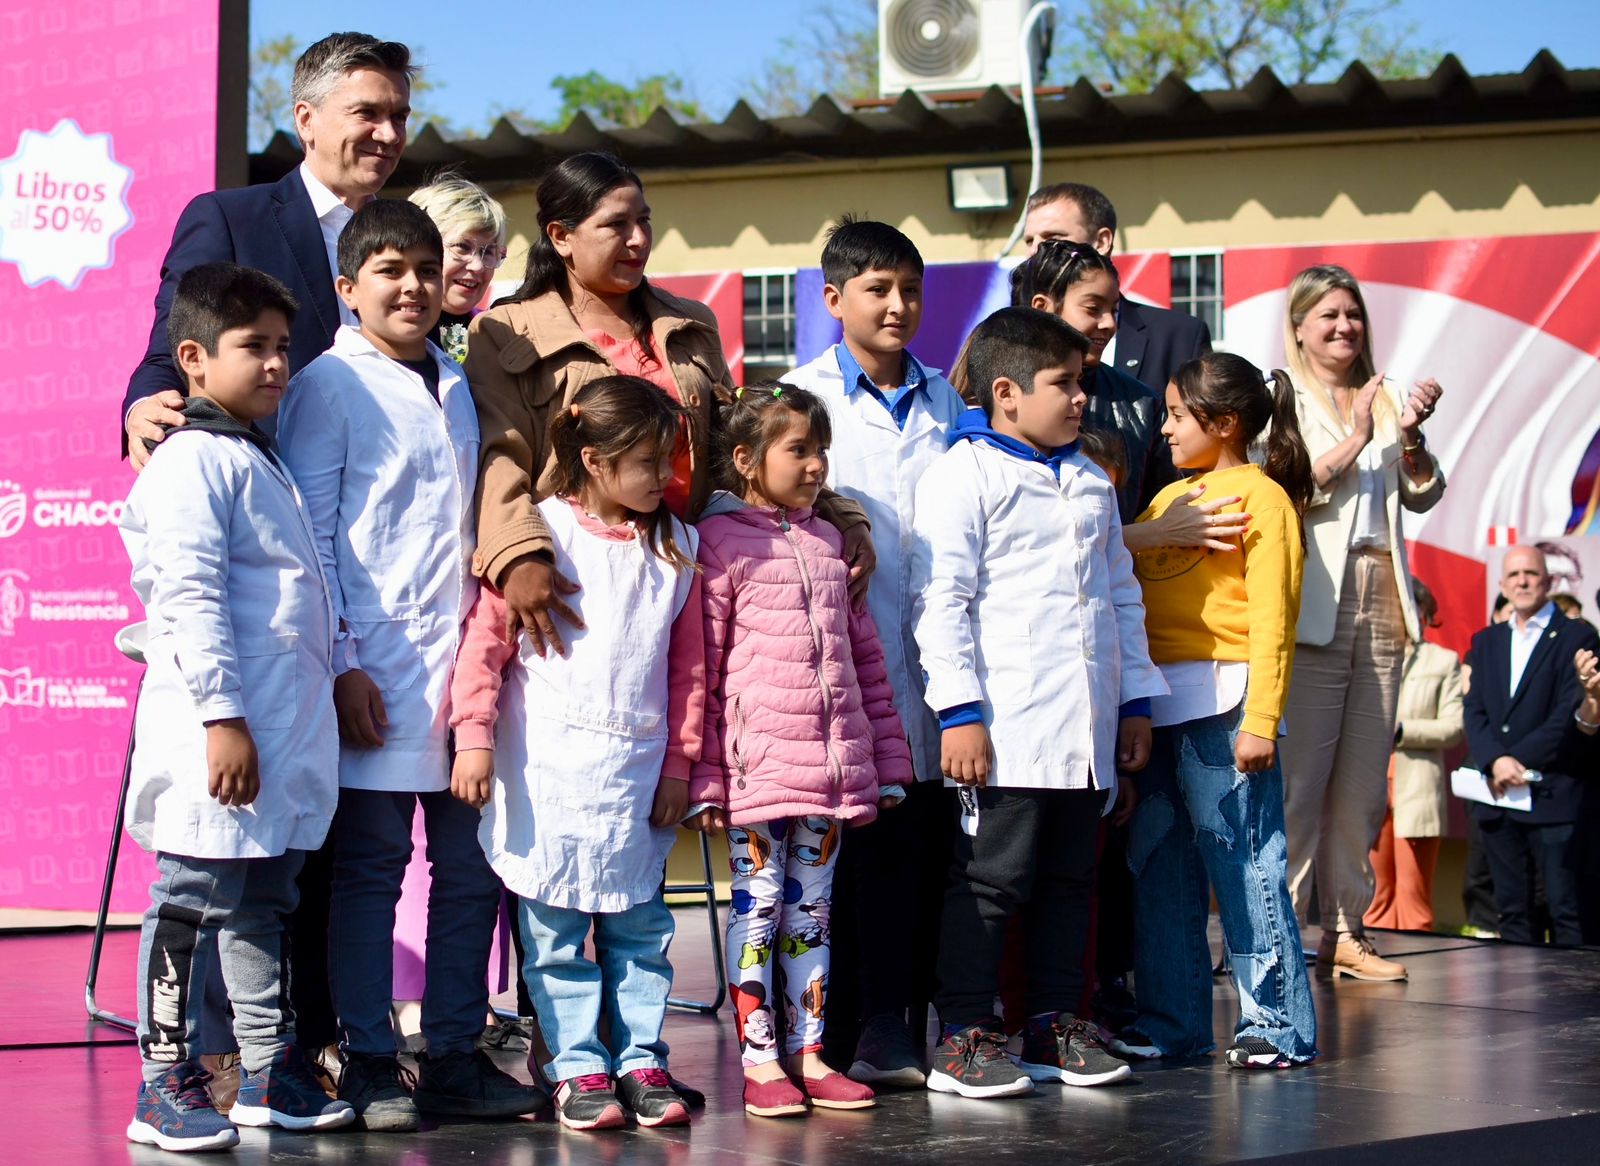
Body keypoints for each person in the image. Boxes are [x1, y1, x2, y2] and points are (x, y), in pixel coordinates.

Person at [275, 200, 542, 1129]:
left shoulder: (458, 384)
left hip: (462, 680)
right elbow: (309, 537)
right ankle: (373, 1057)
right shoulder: (326, 386)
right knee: (372, 871)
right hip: (374, 676)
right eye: (390, 270)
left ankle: (458, 1055)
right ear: (347, 289)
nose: (415, 287)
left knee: (473, 872)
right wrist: (344, 661)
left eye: (427, 269)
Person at [118, 263, 355, 1151]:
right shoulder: (192, 462)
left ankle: (268, 1070)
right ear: (192, 357)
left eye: (283, 348)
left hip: (276, 735)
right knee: (190, 893)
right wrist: (222, 718)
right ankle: (162, 1080)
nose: (274, 365)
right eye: (252, 346)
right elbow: (190, 597)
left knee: (264, 896)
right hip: (218, 733)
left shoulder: (259, 456)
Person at [465, 152, 872, 654]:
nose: (637, 239)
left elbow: (741, 442)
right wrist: (519, 553)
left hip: (691, 578)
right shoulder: (506, 332)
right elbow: (496, 454)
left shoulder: (690, 325)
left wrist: (836, 513)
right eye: (616, 224)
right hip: (572, 580)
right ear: (560, 236)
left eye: (644, 221)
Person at [910, 306, 1165, 1099]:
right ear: (1007, 393)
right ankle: (962, 1038)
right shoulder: (965, 473)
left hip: (1083, 731)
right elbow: (940, 599)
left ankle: (1055, 1025)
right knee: (990, 882)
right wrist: (959, 711)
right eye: (1066, 383)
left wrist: (1133, 705)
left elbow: (1121, 598)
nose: (1083, 397)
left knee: (1070, 884)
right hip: (1005, 732)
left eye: (1084, 381)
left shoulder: (1091, 479)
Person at [450, 378, 706, 1132]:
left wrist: (680, 767)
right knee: (556, 934)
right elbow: (484, 651)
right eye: (646, 461)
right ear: (593, 460)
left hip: (636, 775)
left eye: (668, 460)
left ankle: (640, 1058)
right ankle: (575, 1065)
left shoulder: (677, 548)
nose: (663, 477)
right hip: (548, 776)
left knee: (641, 929)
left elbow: (689, 672)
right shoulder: (543, 540)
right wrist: (474, 738)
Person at [687, 384, 912, 1119]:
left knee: (811, 916)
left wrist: (884, 761)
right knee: (757, 915)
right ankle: (759, 1061)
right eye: (799, 450)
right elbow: (705, 668)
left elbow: (864, 659)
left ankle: (810, 1055)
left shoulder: (828, 543)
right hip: (756, 781)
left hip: (829, 777)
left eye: (822, 450)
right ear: (747, 460)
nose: (817, 465)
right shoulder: (719, 545)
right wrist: (707, 777)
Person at [780, 217, 967, 1087]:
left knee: (921, 852)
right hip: (833, 666)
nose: (898, 306)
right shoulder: (799, 397)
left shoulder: (952, 403)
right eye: (877, 290)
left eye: (911, 291)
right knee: (845, 861)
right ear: (832, 300)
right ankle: (835, 1032)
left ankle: (896, 1028)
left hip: (937, 666)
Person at [1111, 352, 1318, 1070]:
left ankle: (1278, 1023)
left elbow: (1273, 618)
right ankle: (1173, 1024)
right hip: (1158, 706)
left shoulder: (1263, 499)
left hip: (1227, 704)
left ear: (1224, 422)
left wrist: (1262, 719)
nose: (1163, 430)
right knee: (1161, 865)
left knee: (1246, 860)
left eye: (1176, 414)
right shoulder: (1169, 501)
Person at [124, 32, 415, 465]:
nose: (389, 134)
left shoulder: (411, 238)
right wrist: (143, 409)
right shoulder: (232, 219)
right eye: (366, 113)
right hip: (276, 488)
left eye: (400, 116)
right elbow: (174, 347)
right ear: (305, 120)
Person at [1277, 264, 1446, 981]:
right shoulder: (1278, 396)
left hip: (1383, 590)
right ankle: (1279, 931)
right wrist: (1350, 437)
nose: (1345, 326)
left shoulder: (1387, 396)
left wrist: (1408, 436)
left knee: (1362, 783)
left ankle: (1346, 929)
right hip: (1314, 596)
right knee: (1302, 777)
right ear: (1300, 327)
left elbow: (1424, 493)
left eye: (1354, 314)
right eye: (1329, 315)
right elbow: (1285, 489)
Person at [1462, 547, 1599, 946]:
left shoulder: (1578, 636)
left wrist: (1514, 759)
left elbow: (1568, 712)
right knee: (1513, 913)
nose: (1522, 581)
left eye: (1531, 573)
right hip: (1500, 797)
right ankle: (1520, 1006)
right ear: (1503, 586)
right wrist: (1494, 760)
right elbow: (1475, 710)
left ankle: (1576, 1008)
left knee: (1566, 909)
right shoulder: (1485, 641)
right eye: (1514, 574)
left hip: (1554, 796)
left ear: (1549, 581)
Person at [1021, 181, 1211, 393]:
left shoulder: (1179, 336)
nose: (1035, 252)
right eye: (1029, 241)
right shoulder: (1006, 340)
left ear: (1101, 242)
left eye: (1053, 238)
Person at [1365, 579, 1465, 934]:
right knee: (1371, 897)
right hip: (1367, 785)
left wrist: (1402, 731)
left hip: (1417, 790)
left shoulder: (1443, 660)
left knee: (1414, 899)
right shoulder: (1366, 656)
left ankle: (1419, 972)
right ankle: (1368, 963)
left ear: (1424, 613)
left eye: (1412, 606)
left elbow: (1454, 727)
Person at [409, 172, 508, 363]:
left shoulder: (498, 337)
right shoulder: (385, 333)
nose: (478, 266)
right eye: (462, 247)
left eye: (488, 252)